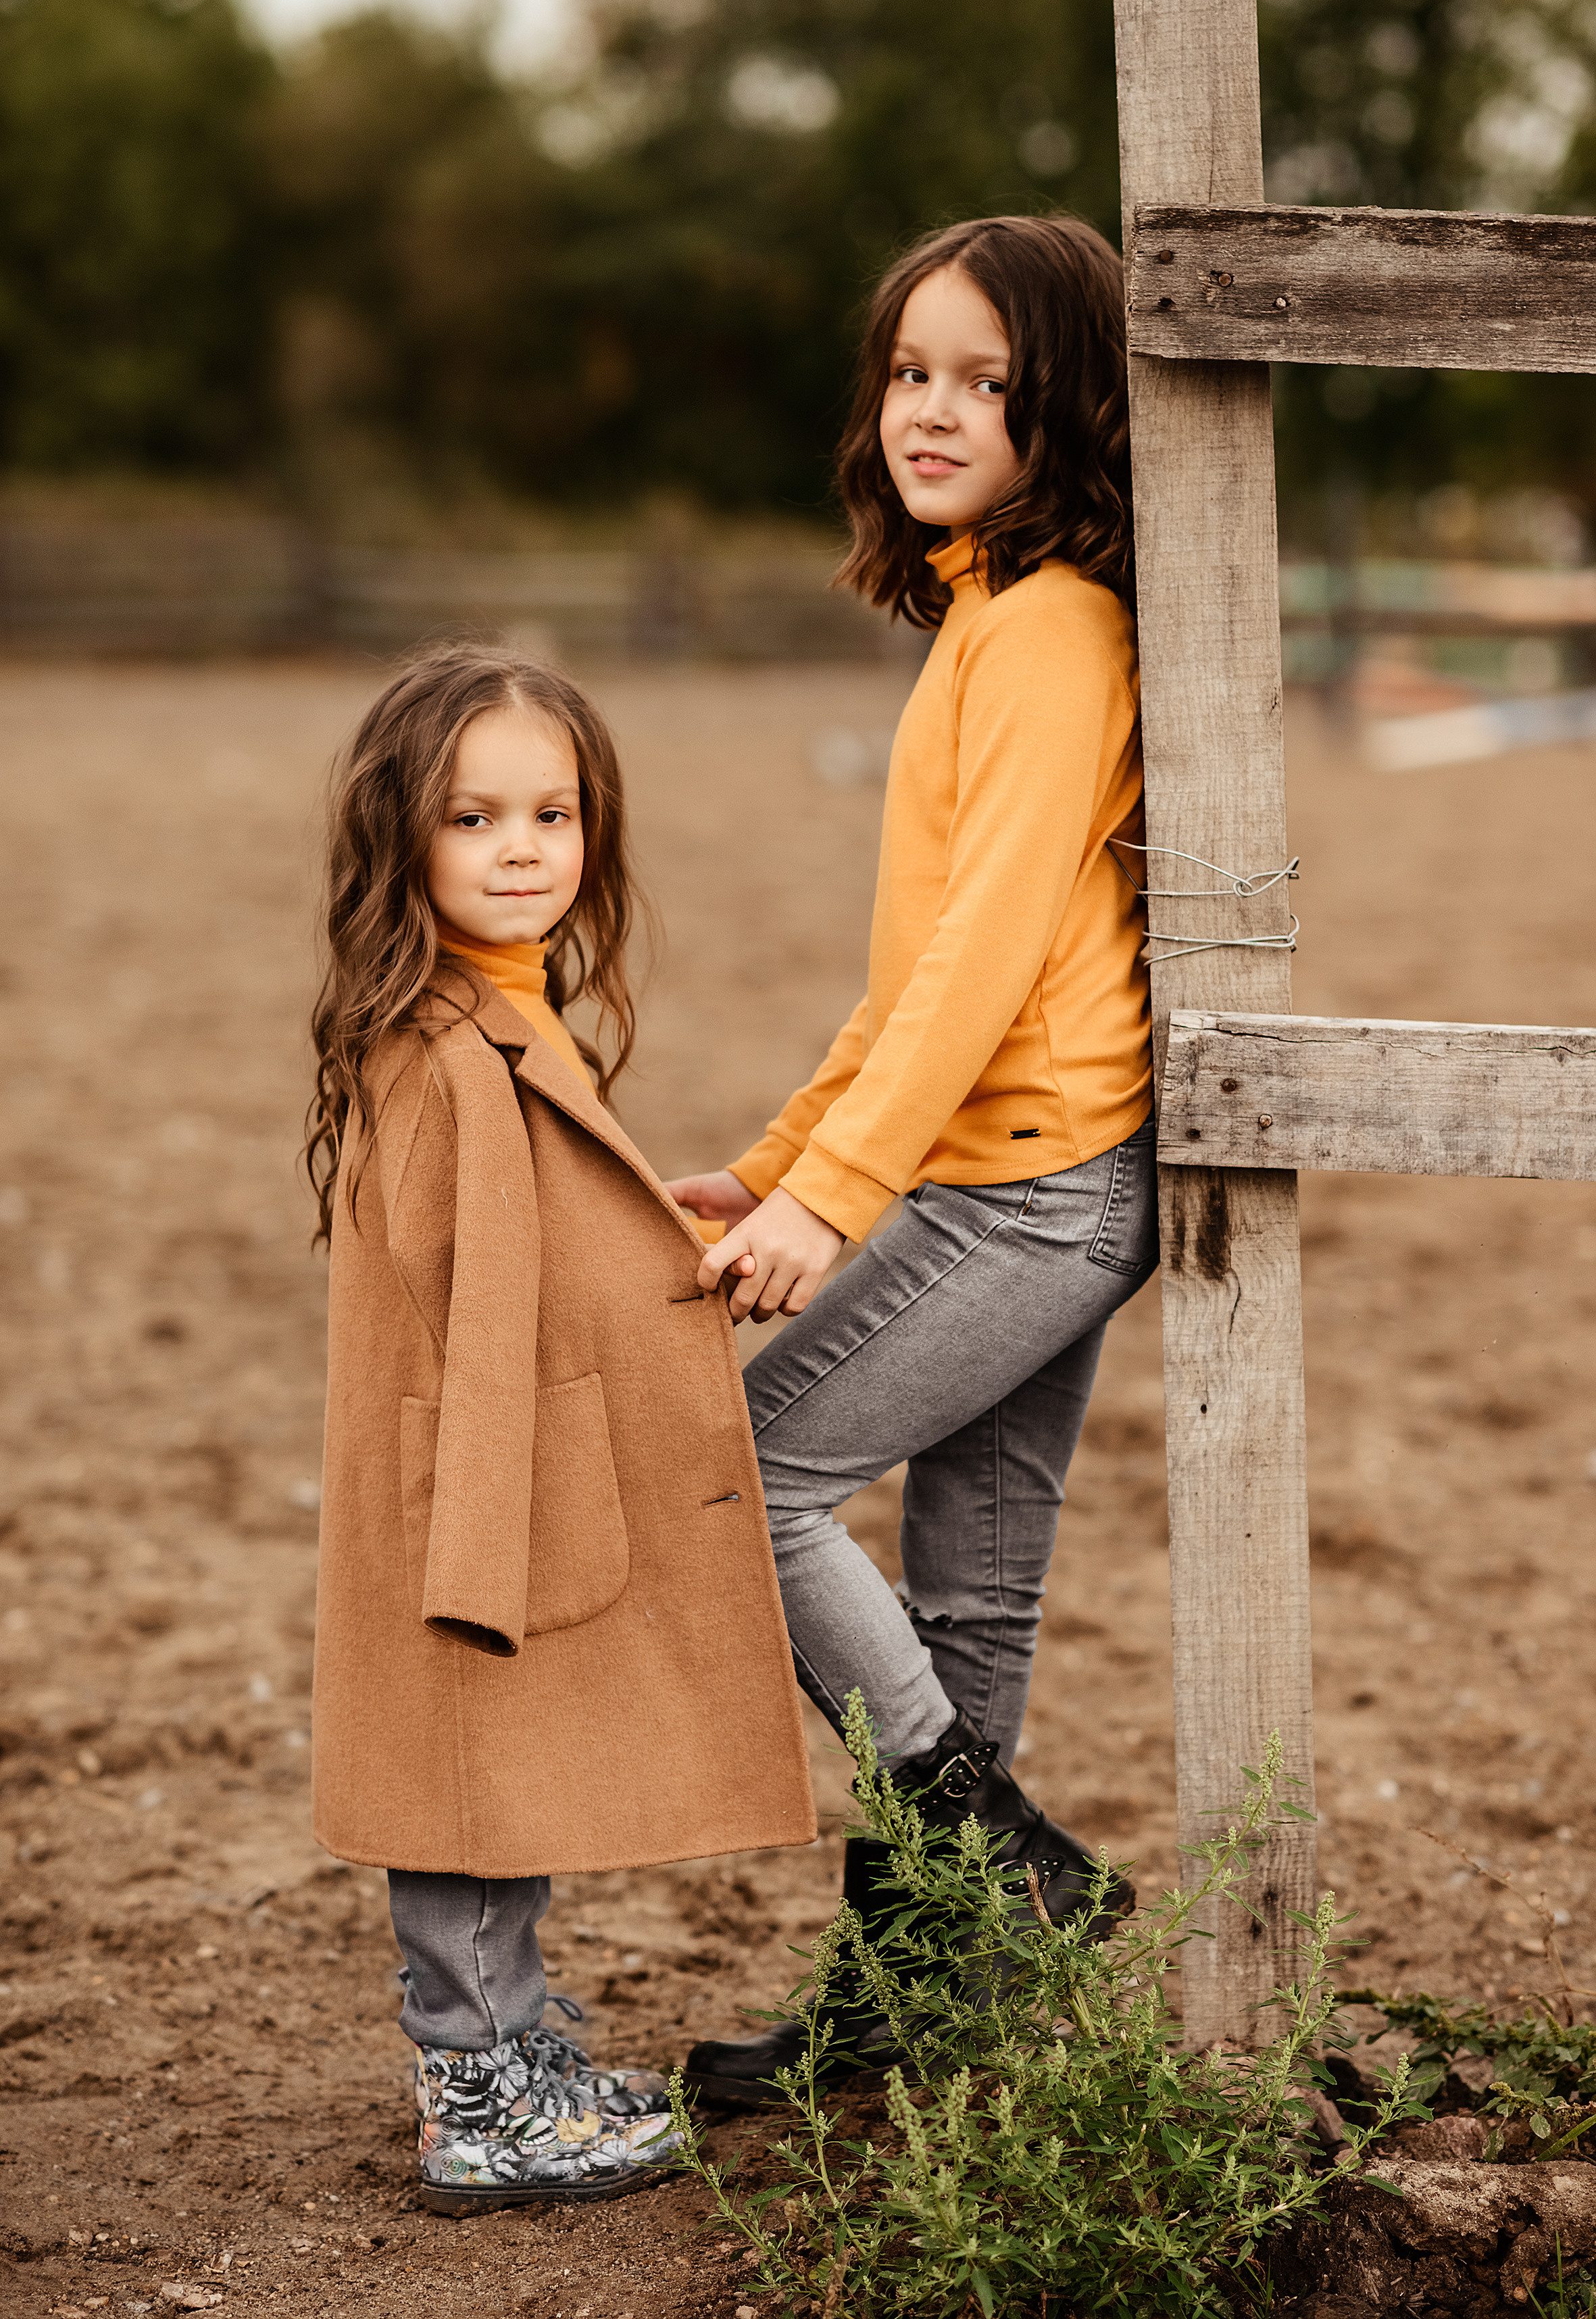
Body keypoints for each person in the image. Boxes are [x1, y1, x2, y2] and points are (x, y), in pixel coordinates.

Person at [667, 214, 1159, 2103]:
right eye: (907, 373)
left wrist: (833, 1197)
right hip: (1015, 1173)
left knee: (741, 1484)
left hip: (1024, 1182)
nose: (931, 410)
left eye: (985, 381)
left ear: (1073, 408)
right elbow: (921, 968)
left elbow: (987, 959)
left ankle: (990, 1862)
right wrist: (780, 1153)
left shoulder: (1048, 633)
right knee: (962, 1606)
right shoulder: (990, 616)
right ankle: (911, 2017)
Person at [304, 645, 816, 2208]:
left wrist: (639, 1243)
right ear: (402, 835)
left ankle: (510, 2046)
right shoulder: (446, 1049)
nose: (522, 847)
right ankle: (479, 2090)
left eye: (553, 811)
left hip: (492, 1454)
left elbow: (535, 1239)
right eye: (473, 817)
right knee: (464, 1774)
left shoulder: (499, 1012)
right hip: (476, 1470)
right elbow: (476, 1295)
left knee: (495, 1773)